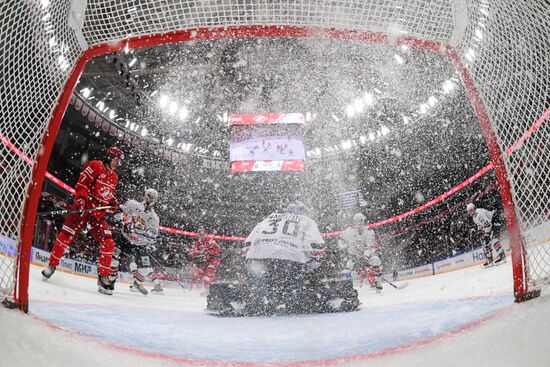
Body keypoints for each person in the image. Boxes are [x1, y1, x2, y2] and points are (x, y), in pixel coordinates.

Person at [41, 147, 124, 295]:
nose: (118, 163)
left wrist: (113, 202)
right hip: (84, 209)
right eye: (116, 159)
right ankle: (51, 266)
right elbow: (82, 184)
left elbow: (107, 195)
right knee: (66, 236)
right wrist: (80, 200)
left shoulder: (114, 177)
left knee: (109, 242)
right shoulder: (95, 165)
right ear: (109, 157)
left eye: (120, 160)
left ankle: (103, 278)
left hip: (97, 214)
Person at [244, 201, 325, 314]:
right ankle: (294, 300)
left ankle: (259, 301)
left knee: (260, 281)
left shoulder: (270, 218)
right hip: (290, 258)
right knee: (295, 287)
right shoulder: (306, 221)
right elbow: (316, 246)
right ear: (301, 211)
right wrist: (314, 260)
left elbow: (247, 243)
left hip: (257, 256)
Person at [108, 188, 162, 295]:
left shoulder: (155, 218)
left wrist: (141, 235)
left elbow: (153, 236)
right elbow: (117, 213)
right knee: (114, 259)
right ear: (145, 195)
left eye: (153, 197)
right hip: (125, 238)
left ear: (155, 200)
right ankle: (110, 281)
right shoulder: (133, 204)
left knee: (145, 269)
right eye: (149, 196)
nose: (150, 199)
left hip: (140, 244)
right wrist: (123, 222)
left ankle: (137, 284)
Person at [338, 212, 382, 290]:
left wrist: (365, 256)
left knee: (375, 260)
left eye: (361, 220)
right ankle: (346, 288)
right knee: (346, 270)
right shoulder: (349, 231)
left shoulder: (369, 232)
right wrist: (343, 248)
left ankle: (376, 284)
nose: (360, 222)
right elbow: (340, 239)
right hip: (353, 256)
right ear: (354, 221)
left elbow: (369, 247)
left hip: (366, 256)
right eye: (358, 220)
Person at [466, 203, 506, 267]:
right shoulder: (474, 218)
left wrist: (486, 234)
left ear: (474, 208)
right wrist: (478, 231)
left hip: (495, 220)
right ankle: (490, 260)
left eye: (471, 210)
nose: (470, 212)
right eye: (469, 211)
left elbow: (488, 224)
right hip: (491, 223)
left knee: (493, 239)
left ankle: (502, 256)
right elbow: (481, 225)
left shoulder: (479, 214)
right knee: (486, 243)